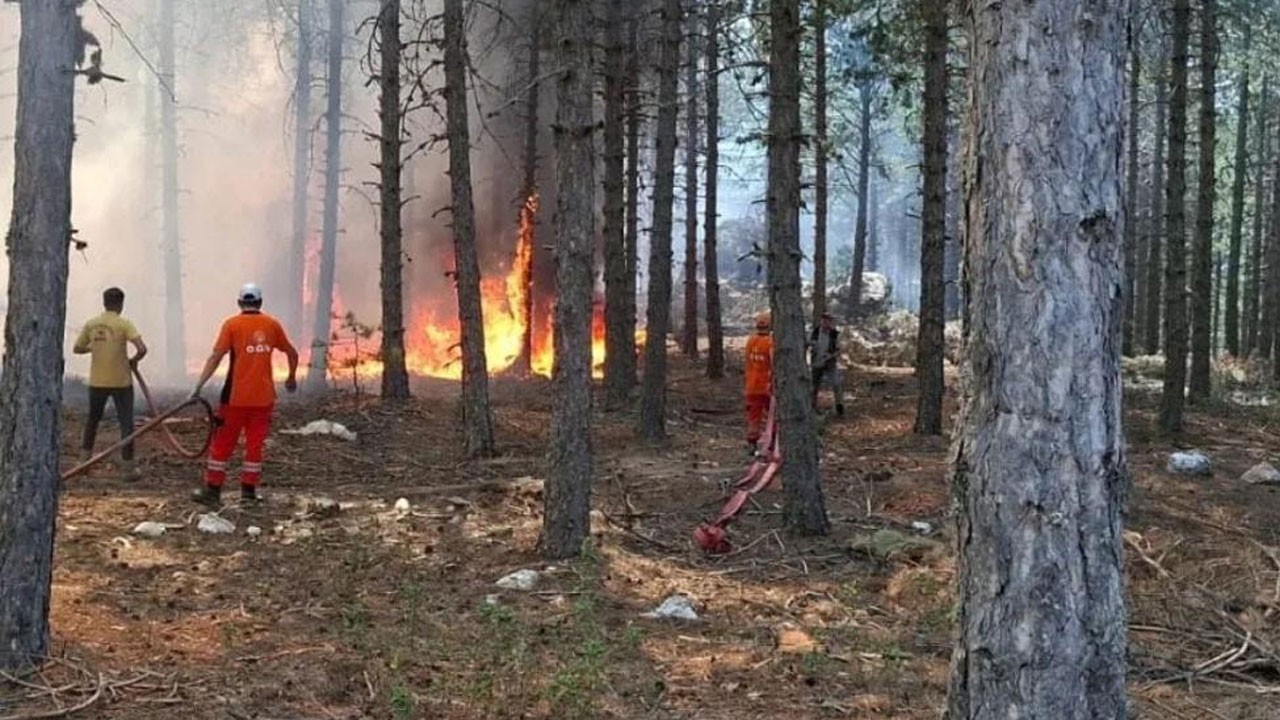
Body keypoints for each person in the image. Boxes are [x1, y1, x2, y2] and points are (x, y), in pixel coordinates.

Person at [190, 283, 298, 506]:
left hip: (234, 399)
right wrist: (291, 377)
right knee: (255, 445)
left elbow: (216, 357)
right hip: (263, 399)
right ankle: (248, 493)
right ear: (259, 302)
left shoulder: (232, 325)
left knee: (223, 444)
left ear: (240, 303)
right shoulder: (271, 325)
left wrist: (199, 385)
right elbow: (292, 353)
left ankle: (213, 490)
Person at [73, 287, 147, 479]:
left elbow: (77, 348)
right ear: (121, 304)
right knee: (126, 423)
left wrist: (96, 347)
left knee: (92, 420)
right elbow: (142, 348)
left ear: (104, 303)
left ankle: (83, 463)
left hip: (97, 381)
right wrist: (134, 360)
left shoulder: (92, 324)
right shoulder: (124, 324)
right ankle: (128, 469)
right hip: (121, 382)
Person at [744, 311, 774, 450]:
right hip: (767, 387)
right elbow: (774, 364)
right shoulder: (771, 342)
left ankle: (752, 442)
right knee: (773, 416)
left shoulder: (750, 341)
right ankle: (772, 443)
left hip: (751, 385)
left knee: (754, 416)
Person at [809, 312, 845, 416]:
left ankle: (839, 407)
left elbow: (839, 350)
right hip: (817, 362)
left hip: (830, 363)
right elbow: (808, 344)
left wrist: (831, 355)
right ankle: (812, 407)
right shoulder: (815, 332)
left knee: (836, 384)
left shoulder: (834, 334)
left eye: (829, 321)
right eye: (824, 320)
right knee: (814, 386)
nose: (826, 323)